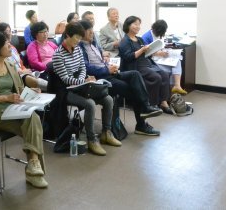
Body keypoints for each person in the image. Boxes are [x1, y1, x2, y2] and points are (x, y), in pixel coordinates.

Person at [0, 32, 48, 188]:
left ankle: (33, 166)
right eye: (6, 44)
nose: (10, 46)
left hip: (13, 108)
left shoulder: (11, 65)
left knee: (32, 119)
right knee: (32, 124)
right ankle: (34, 169)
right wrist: (6, 98)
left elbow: (19, 90)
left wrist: (31, 92)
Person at [79, 20, 162, 136]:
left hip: (109, 72)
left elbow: (99, 61)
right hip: (100, 78)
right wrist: (106, 69)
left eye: (92, 30)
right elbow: (87, 68)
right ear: (81, 33)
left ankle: (145, 107)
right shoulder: (80, 48)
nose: (92, 33)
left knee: (135, 74)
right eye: (89, 31)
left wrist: (106, 63)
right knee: (134, 89)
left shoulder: (94, 44)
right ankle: (142, 122)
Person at [52, 22, 121, 156]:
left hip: (82, 86)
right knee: (89, 104)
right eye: (76, 37)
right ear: (67, 35)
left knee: (108, 99)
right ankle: (91, 139)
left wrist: (85, 80)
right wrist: (82, 81)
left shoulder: (77, 49)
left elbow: (83, 67)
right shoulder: (58, 55)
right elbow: (65, 79)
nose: (78, 41)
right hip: (66, 90)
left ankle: (106, 132)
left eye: (80, 38)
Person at [119, 16, 172, 114]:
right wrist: (142, 50)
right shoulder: (124, 41)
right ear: (128, 25)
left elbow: (146, 53)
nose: (138, 27)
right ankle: (151, 104)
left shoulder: (139, 39)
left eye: (139, 24)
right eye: (135, 24)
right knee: (156, 77)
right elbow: (128, 57)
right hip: (135, 65)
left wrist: (151, 50)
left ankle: (164, 102)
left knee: (164, 75)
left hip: (146, 63)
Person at [0, 22, 47, 90]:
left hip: (22, 72)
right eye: (6, 32)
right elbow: (5, 68)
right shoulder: (0, 51)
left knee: (40, 76)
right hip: (14, 75)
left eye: (10, 31)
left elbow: (20, 63)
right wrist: (22, 71)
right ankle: (52, 88)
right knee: (34, 80)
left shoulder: (12, 48)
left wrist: (24, 69)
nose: (10, 34)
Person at [142, 20, 187, 95]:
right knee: (169, 71)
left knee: (177, 61)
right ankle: (171, 91)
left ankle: (177, 86)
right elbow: (144, 53)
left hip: (160, 58)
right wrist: (158, 53)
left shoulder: (159, 35)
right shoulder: (146, 37)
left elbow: (161, 45)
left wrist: (165, 52)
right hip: (152, 60)